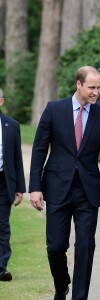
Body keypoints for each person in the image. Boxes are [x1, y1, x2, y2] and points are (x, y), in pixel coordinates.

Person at [29, 66, 100, 300]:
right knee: (56, 247)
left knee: (85, 247)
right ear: (78, 84)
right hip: (57, 187)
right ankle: (61, 285)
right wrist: (35, 187)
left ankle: (80, 297)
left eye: (98, 88)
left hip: (87, 191)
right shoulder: (54, 110)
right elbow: (39, 149)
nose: (96, 92)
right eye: (91, 87)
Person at [0, 88, 26, 282]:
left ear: (1, 102)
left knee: (2, 226)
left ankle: (1, 268)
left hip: (3, 181)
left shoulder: (12, 126)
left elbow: (17, 158)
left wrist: (19, 187)